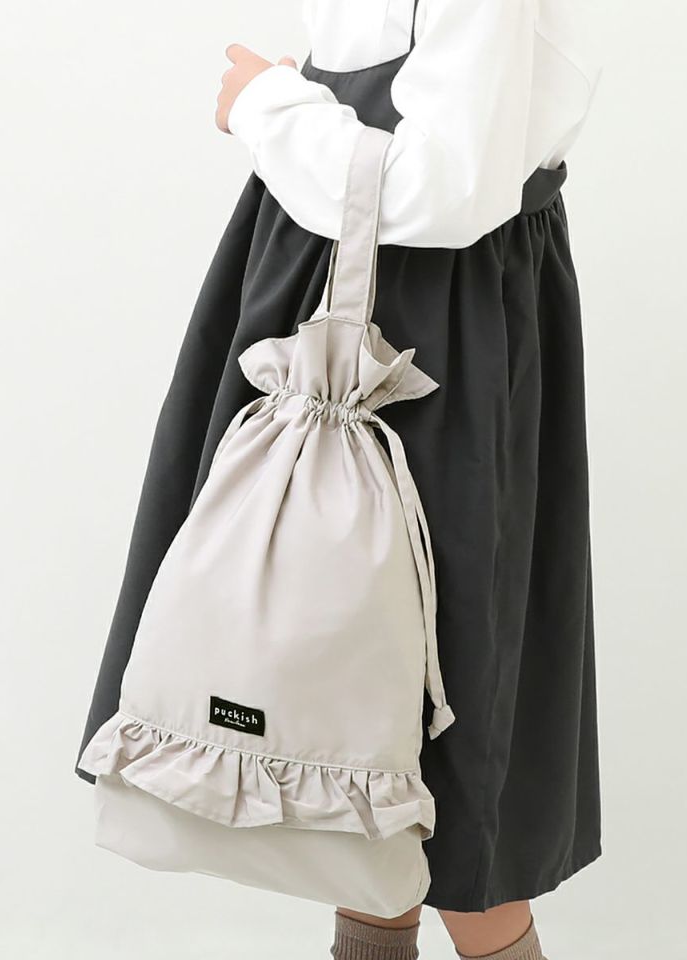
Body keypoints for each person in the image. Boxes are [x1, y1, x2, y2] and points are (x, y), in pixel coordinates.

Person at [76, 2, 603, 958]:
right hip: (357, 293)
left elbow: (446, 187)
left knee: (447, 778)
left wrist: (270, 107)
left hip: (430, 328)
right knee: (357, 758)